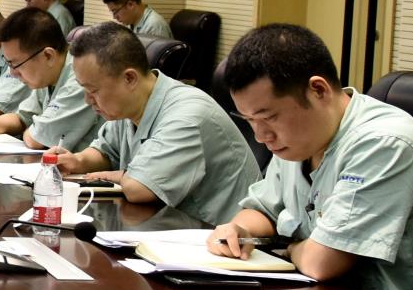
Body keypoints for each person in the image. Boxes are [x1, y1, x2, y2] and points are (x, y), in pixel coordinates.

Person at [209, 23, 413, 290]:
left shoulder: (383, 143)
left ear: (318, 90)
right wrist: (239, 230)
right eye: (250, 120)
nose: (261, 136)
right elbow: (264, 209)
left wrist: (292, 249)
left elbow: (323, 263)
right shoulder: (300, 139)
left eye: (269, 117)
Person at [47, 23, 259, 225]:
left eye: (93, 90)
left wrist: (119, 176)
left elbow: (139, 189)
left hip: (218, 237)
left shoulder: (186, 115)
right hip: (167, 226)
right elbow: (106, 151)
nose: (87, 100)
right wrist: (78, 161)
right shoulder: (130, 105)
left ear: (130, 78)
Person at [0, 7, 100, 152]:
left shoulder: (81, 79)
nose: (13, 73)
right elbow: (22, 117)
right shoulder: (49, 73)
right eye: (9, 64)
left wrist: (32, 130)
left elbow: (36, 140)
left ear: (48, 55)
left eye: (16, 64)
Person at [101, 0, 173, 41]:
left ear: (130, 5)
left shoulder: (154, 27)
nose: (114, 17)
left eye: (115, 11)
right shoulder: (130, 22)